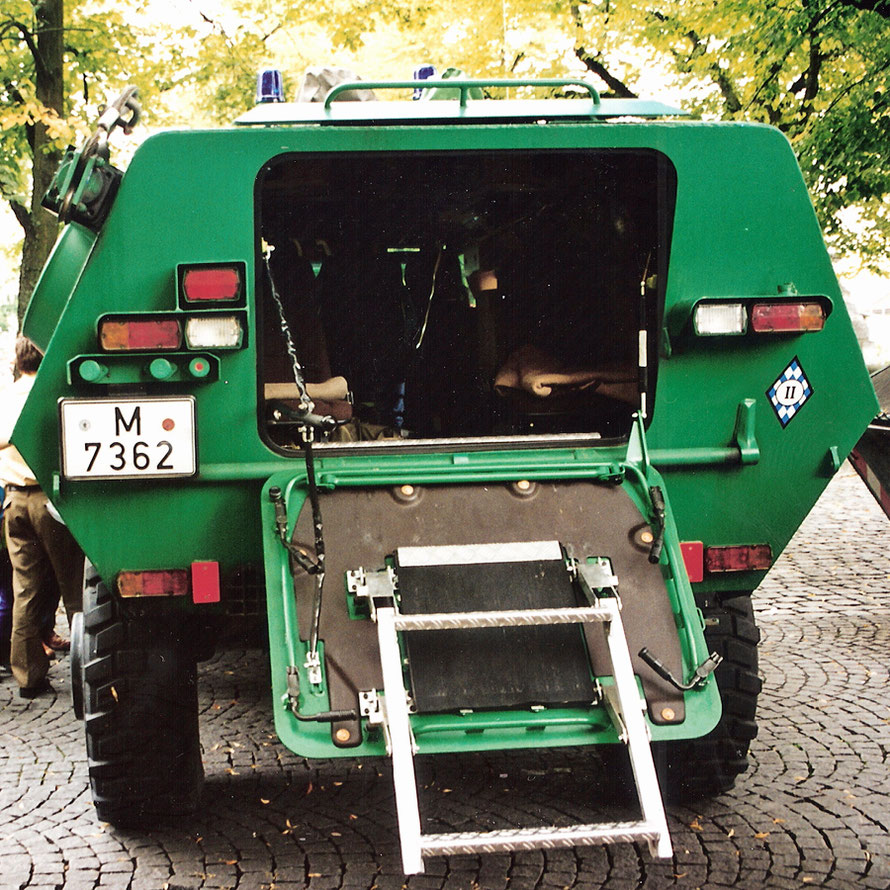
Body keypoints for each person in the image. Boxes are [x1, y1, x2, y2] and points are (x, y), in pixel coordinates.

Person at [0, 336, 83, 697]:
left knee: (26, 592)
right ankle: (91, 671)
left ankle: (29, 677)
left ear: (18, 362)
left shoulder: (5, 396)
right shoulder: (49, 394)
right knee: (76, 588)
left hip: (13, 502)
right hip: (49, 501)